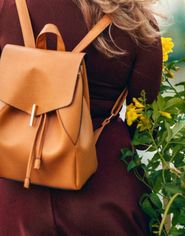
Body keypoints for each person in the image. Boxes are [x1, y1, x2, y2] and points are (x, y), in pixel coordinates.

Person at [0, 0, 163, 235]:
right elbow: (144, 135)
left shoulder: (9, 7)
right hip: (106, 190)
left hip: (17, 192)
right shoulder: (137, 21)